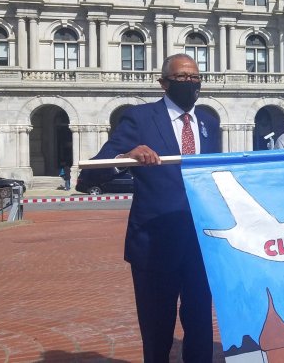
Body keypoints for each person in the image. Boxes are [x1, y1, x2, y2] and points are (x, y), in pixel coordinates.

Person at [79, 53, 219, 362]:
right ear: (164, 83)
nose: (190, 84)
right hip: (155, 245)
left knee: (200, 326)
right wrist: (125, 157)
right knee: (157, 331)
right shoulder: (140, 118)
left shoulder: (209, 122)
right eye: (182, 78)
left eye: (195, 78)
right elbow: (89, 174)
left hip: (200, 244)